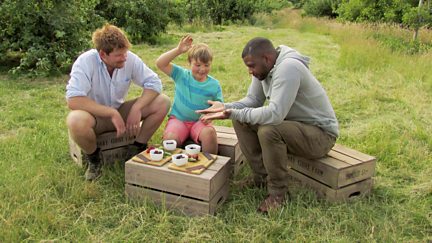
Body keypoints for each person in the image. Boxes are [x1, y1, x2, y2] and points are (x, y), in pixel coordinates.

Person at [197, 37, 339, 213]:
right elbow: (253, 100)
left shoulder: (288, 68)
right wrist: (226, 107)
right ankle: (261, 178)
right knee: (241, 119)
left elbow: (275, 114)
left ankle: (278, 193)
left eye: (251, 66)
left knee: (269, 130)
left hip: (320, 136)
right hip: (293, 126)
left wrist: (232, 112)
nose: (250, 71)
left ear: (266, 58)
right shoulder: (264, 69)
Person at [66, 24, 170, 181]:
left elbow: (154, 84)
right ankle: (94, 160)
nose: (124, 58)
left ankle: (136, 148)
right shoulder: (85, 62)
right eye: (119, 55)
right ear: (103, 54)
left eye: (125, 53)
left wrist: (137, 108)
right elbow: (73, 100)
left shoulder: (130, 59)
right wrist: (110, 113)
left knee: (162, 101)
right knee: (75, 120)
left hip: (120, 111)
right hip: (94, 117)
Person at [155, 35, 223, 154]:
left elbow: (219, 105)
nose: (202, 69)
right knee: (170, 139)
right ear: (189, 63)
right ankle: (172, 168)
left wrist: (215, 109)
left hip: (200, 123)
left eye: (206, 65)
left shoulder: (214, 85)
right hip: (179, 120)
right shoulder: (181, 75)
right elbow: (160, 63)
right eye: (198, 65)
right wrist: (178, 50)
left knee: (210, 134)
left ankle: (211, 166)